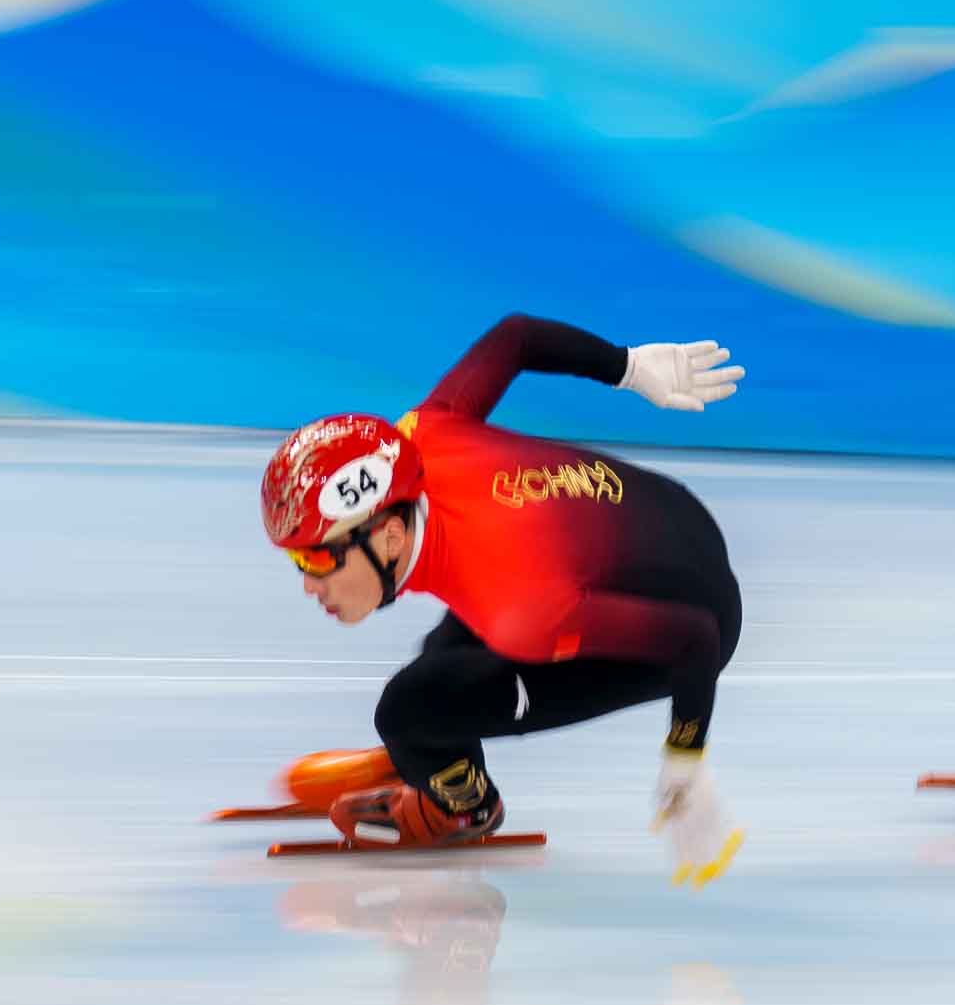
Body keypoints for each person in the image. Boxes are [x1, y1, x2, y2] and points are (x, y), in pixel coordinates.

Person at [260, 314, 748, 886]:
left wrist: (684, 760)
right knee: (445, 652)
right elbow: (515, 336)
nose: (307, 584)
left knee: (409, 709)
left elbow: (695, 639)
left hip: (691, 622)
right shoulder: (423, 433)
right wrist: (630, 367)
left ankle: (463, 807)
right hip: (673, 515)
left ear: (390, 536)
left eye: (316, 559)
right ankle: (432, 761)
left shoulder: (526, 610)